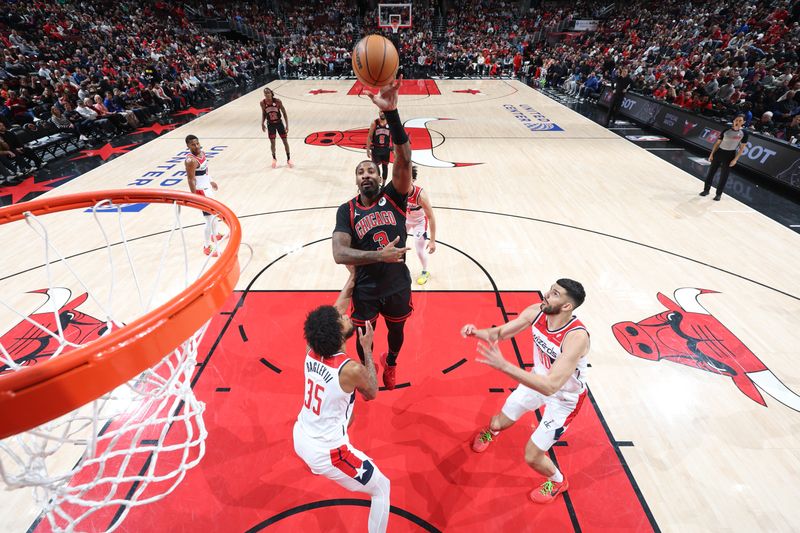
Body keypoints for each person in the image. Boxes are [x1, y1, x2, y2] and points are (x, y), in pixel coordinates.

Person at [461, 279, 589, 504]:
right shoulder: (537, 311)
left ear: (567, 306)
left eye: (555, 293)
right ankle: (493, 433)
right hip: (534, 381)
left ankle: (558, 481)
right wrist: (476, 333)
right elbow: (500, 333)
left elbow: (550, 386)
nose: (547, 294)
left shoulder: (576, 337)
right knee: (497, 423)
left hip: (563, 399)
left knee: (532, 456)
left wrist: (505, 366)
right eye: (551, 289)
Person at [332, 77, 413, 390]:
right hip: (365, 287)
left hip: (396, 283)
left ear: (380, 178)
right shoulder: (347, 210)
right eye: (361, 172)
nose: (366, 174)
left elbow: (404, 157)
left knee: (396, 332)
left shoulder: (395, 196)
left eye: (371, 171)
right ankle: (368, 368)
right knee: (364, 334)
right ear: (356, 181)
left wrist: (392, 113)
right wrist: (380, 255)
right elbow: (339, 254)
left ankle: (390, 362)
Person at [293, 271, 389, 533]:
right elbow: (372, 392)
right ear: (337, 335)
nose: (346, 315)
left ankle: (314, 464)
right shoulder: (349, 369)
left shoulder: (312, 348)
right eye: (342, 319)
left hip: (301, 433)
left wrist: (354, 275)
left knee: (349, 414)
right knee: (382, 488)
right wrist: (367, 349)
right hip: (328, 452)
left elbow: (340, 303)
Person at [184, 134, 223, 256]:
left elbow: (205, 171)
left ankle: (215, 234)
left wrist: (211, 180)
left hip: (208, 189)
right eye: (193, 145)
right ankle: (206, 247)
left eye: (197, 143)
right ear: (188, 146)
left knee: (215, 215)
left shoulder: (203, 153)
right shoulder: (190, 161)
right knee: (210, 220)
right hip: (201, 192)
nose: (196, 146)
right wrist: (194, 197)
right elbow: (191, 180)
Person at [700, 114, 748, 201]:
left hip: (730, 155)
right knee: (711, 172)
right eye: (736, 120)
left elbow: (742, 148)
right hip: (719, 152)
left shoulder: (744, 133)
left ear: (743, 122)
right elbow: (717, 143)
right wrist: (712, 154)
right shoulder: (726, 130)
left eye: (740, 121)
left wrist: (735, 159)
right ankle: (706, 190)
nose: (738, 122)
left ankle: (718, 194)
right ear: (734, 121)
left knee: (724, 176)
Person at [405, 166, 436, 285]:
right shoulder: (399, 190)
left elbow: (431, 217)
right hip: (406, 220)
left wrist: (432, 240)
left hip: (420, 223)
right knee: (398, 244)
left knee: (419, 250)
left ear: (413, 180)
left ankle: (425, 271)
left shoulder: (420, 195)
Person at [260, 87, 292, 168]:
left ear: (271, 93)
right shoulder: (262, 103)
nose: (267, 94)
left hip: (279, 123)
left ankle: (289, 159)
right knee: (272, 143)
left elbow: (284, 113)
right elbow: (264, 113)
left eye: (268, 93)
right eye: (265, 93)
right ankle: (274, 158)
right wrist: (262, 123)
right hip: (270, 125)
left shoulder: (278, 101)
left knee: (285, 141)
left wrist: (287, 125)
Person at [366, 111, 392, 185]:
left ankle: (383, 185)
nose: (382, 113)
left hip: (386, 149)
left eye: (384, 112)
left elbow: (394, 136)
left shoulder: (390, 122)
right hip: (376, 149)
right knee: (376, 168)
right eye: (381, 112)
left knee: (385, 167)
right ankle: (378, 183)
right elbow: (370, 136)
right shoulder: (375, 123)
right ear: (378, 112)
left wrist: (395, 149)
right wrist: (368, 149)